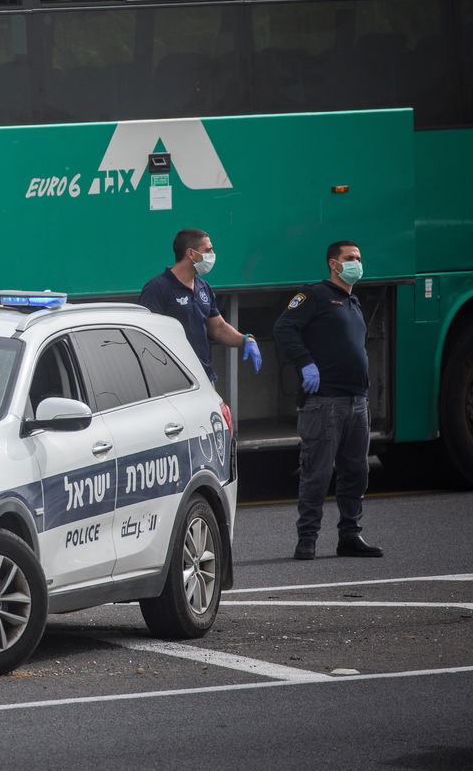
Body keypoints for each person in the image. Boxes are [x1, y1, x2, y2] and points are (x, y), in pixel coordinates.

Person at [273, 241, 383, 560]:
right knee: (317, 474)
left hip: (357, 402)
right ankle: (307, 539)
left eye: (359, 257)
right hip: (324, 403)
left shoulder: (353, 302)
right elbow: (284, 328)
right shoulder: (315, 295)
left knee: (356, 473)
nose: (356, 263)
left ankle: (350, 535)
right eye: (350, 258)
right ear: (334, 264)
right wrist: (305, 362)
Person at [139, 228, 262, 382]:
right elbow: (146, 337)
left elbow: (218, 328)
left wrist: (246, 339)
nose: (213, 254)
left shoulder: (203, 286)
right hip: (172, 380)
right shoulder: (157, 288)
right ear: (191, 254)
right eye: (208, 250)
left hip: (204, 376)